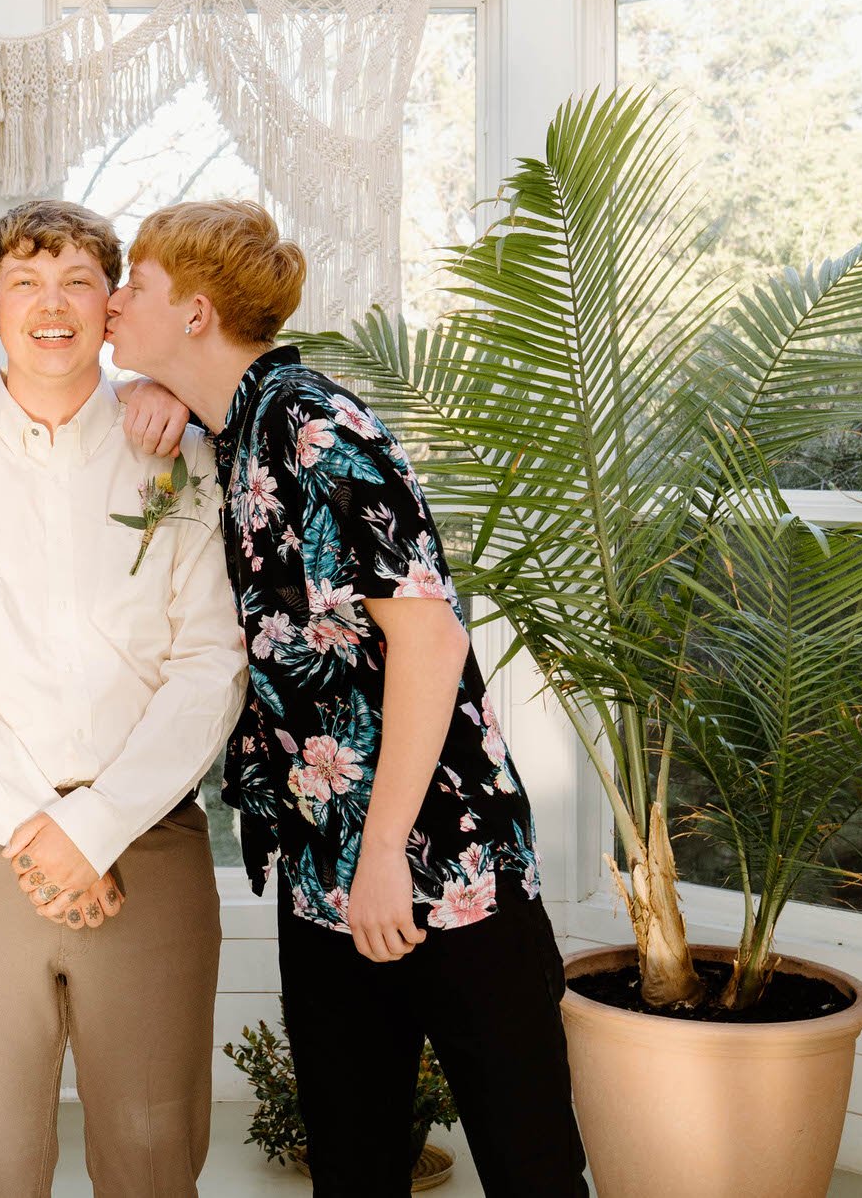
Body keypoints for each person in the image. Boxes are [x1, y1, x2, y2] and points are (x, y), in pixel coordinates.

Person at [103, 199, 587, 1197]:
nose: (112, 302)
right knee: (353, 1166)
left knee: (528, 1167)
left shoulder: (311, 425)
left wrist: (379, 863)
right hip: (325, 869)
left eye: (134, 286)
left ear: (195, 310)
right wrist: (148, 388)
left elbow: (430, 638)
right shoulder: (237, 425)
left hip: (446, 870)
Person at [0, 198, 247, 1197]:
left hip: (150, 845)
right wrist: (36, 829)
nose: (53, 305)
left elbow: (208, 660)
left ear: (110, 301)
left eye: (78, 280)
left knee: (152, 1152)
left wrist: (97, 827)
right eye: (25, 283)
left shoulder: (173, 451)